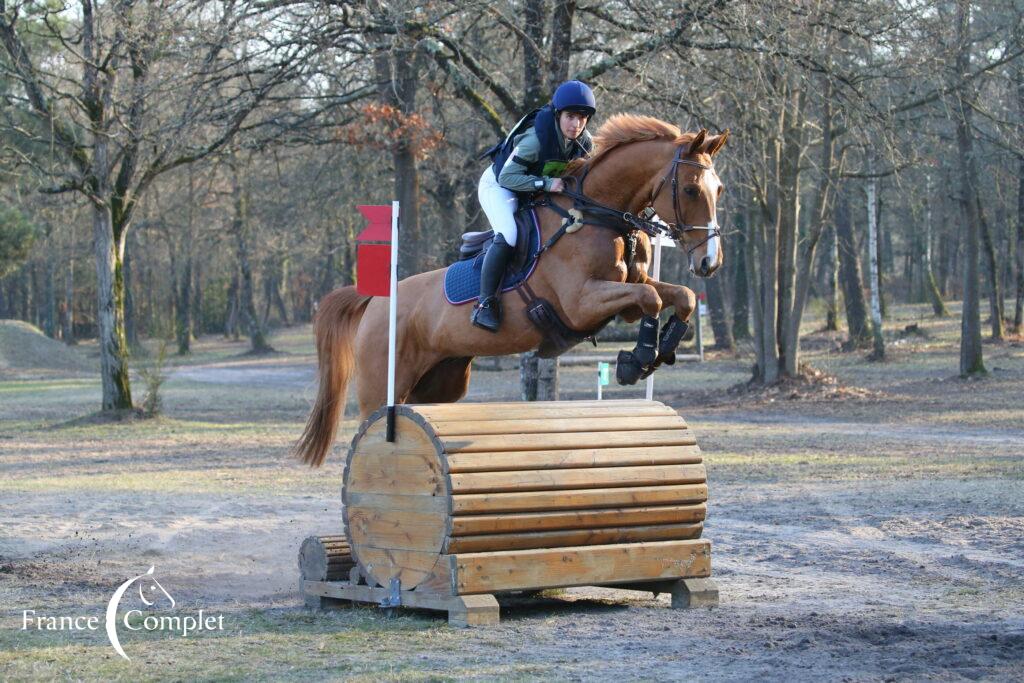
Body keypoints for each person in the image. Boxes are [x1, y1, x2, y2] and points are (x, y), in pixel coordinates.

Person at [472, 80, 597, 332]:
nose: (576, 124)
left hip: (531, 190)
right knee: (508, 233)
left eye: (582, 118)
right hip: (499, 186)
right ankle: (485, 303)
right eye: (570, 116)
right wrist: (544, 183)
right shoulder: (536, 140)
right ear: (557, 114)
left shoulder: (584, 143)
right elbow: (506, 177)